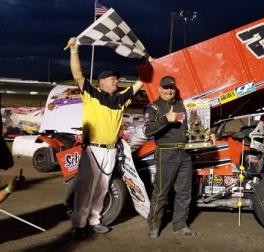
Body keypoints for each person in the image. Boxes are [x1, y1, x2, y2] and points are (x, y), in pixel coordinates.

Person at [65, 37, 151, 239]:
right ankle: (79, 223)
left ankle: (94, 220)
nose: (116, 81)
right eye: (112, 78)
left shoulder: (121, 98)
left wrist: (150, 65)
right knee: (86, 186)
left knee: (103, 187)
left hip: (111, 150)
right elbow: (77, 74)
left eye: (117, 78)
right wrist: (74, 50)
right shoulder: (91, 93)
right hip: (92, 149)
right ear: (101, 81)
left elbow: (140, 83)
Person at [143, 75, 197, 238]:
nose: (169, 90)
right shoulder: (153, 108)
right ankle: (153, 226)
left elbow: (196, 126)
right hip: (166, 153)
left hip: (185, 153)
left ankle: (180, 225)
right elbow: (147, 131)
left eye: (171, 88)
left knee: (184, 192)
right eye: (165, 88)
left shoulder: (184, 105)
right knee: (161, 192)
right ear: (159, 89)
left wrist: (209, 135)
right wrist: (166, 119)